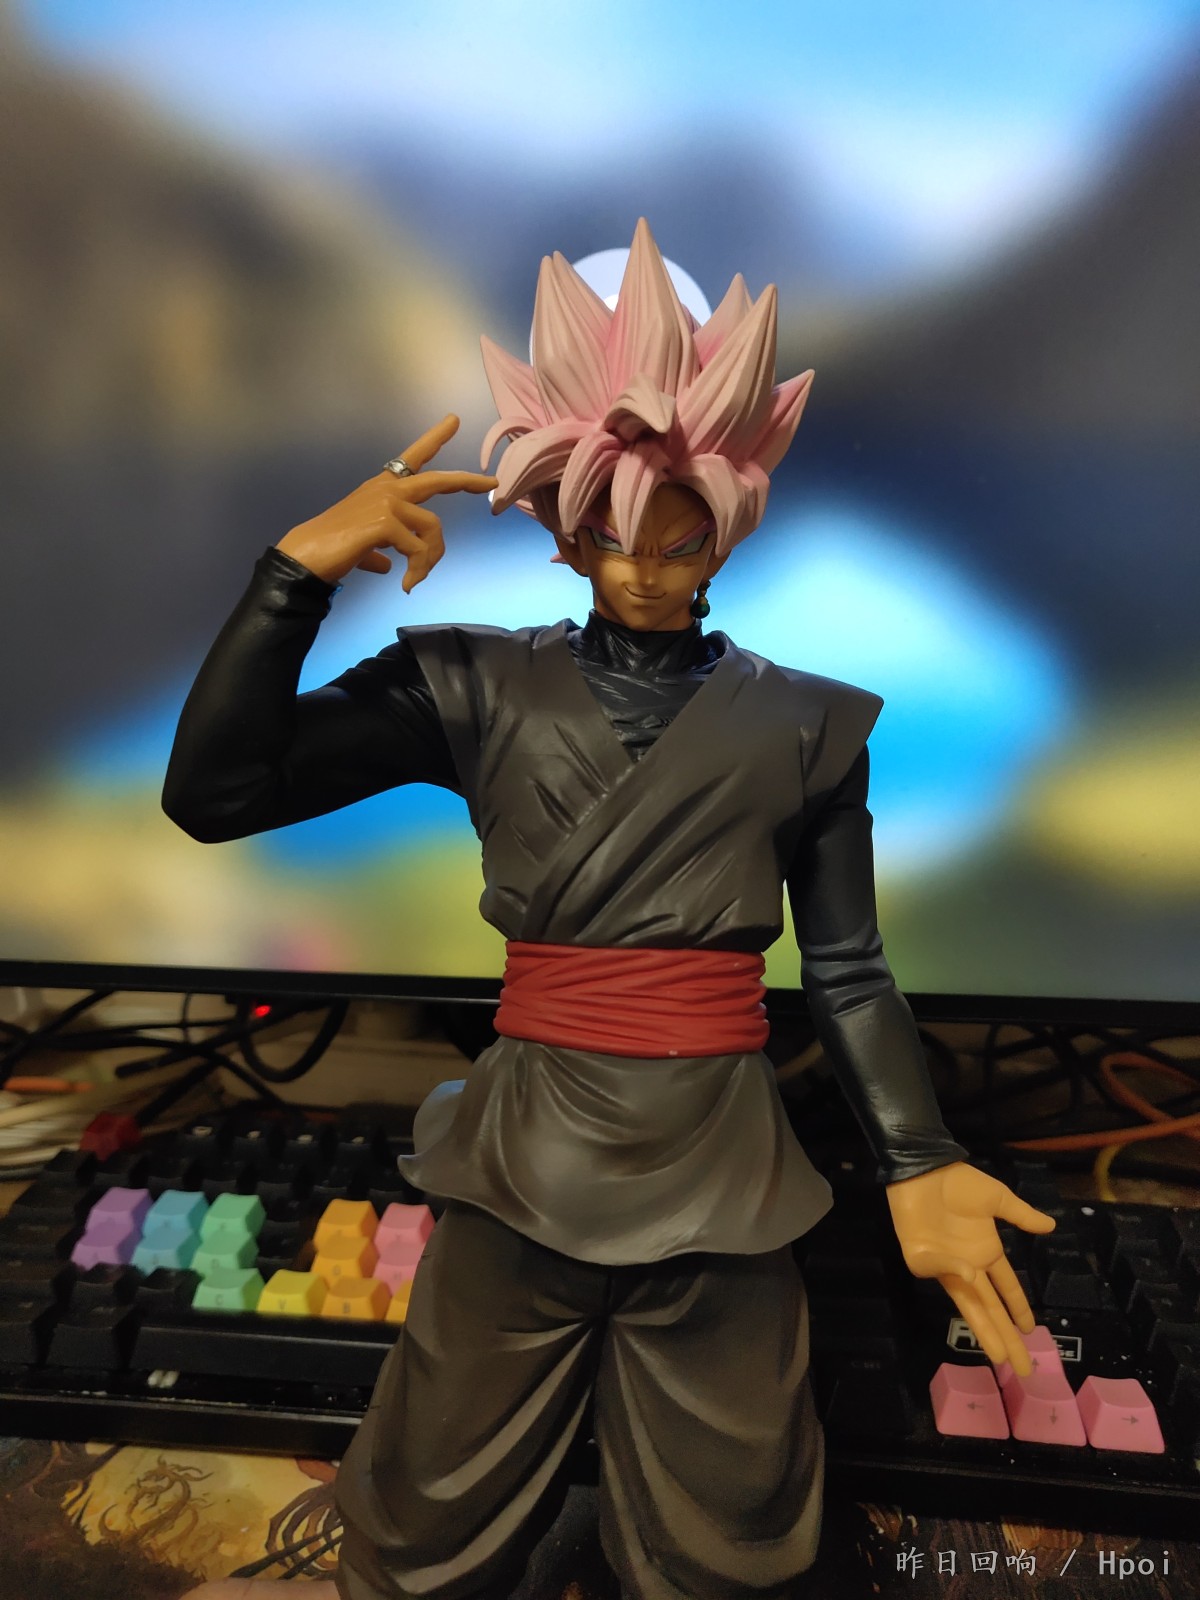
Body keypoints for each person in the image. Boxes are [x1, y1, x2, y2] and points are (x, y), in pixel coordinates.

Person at [168, 220, 1053, 1600]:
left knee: (736, 1534)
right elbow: (218, 792)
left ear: (730, 511)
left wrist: (918, 1159)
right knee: (422, 1524)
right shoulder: (472, 685)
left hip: (723, 1176)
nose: (641, 559)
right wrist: (295, 577)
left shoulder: (808, 725)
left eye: (676, 524)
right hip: (522, 1162)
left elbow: (848, 967)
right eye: (605, 525)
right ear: (559, 519)